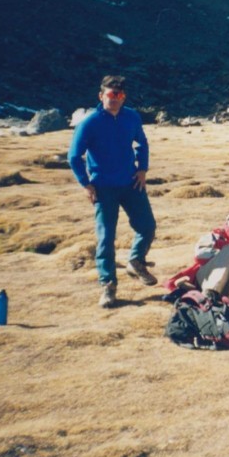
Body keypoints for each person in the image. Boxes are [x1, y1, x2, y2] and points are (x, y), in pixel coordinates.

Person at [68, 75, 157, 309]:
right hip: (103, 188)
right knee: (106, 238)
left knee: (147, 226)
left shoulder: (131, 117)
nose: (114, 99)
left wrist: (142, 170)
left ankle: (136, 261)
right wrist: (86, 184)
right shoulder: (90, 122)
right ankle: (108, 285)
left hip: (131, 183)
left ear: (124, 97)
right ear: (101, 96)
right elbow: (74, 156)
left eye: (118, 95)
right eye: (110, 94)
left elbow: (142, 144)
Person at [165, 207, 229, 304]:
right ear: (226, 222)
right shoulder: (215, 236)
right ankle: (210, 293)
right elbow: (200, 255)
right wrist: (225, 252)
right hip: (207, 278)